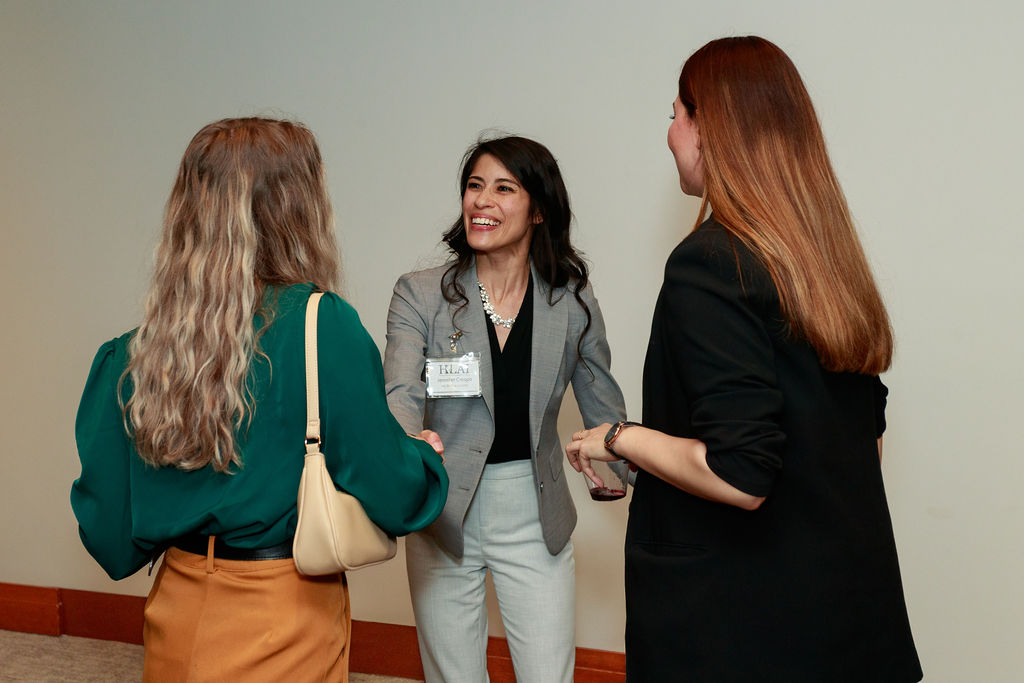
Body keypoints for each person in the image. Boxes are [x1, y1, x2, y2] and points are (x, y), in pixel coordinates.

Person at [566, 37, 922, 681]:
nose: (670, 134)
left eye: (676, 114)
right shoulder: (827, 261)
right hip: (845, 615)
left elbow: (742, 475)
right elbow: (858, 443)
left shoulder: (709, 262)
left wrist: (620, 437)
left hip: (739, 627)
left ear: (709, 128)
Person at [71, 117, 448, 682]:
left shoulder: (133, 354)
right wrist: (423, 458)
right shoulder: (322, 327)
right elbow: (392, 491)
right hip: (284, 613)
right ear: (299, 210)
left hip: (175, 611)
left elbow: (107, 534)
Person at [384, 135, 626, 682]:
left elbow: (605, 408)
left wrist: (646, 473)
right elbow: (400, 394)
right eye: (474, 186)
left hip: (534, 510)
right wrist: (407, 445)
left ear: (538, 209)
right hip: (444, 509)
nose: (482, 200)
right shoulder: (421, 294)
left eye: (503, 188)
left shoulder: (571, 299)